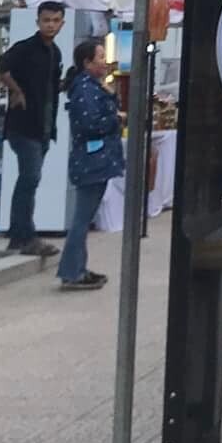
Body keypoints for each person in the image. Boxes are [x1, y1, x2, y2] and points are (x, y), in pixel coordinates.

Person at [0, 1, 66, 258]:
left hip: (44, 127)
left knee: (30, 180)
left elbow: (49, 87)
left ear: (62, 23)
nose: (50, 25)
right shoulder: (25, 48)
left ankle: (20, 236)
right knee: (30, 178)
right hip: (23, 126)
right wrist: (16, 90)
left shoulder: (55, 52)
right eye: (46, 20)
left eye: (55, 20)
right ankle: (25, 235)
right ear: (38, 22)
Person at [58, 39, 124, 290]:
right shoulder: (84, 90)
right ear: (87, 63)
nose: (105, 62)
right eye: (100, 57)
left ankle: (77, 268)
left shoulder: (93, 87)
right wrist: (115, 119)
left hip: (98, 159)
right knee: (82, 218)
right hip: (91, 161)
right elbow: (90, 124)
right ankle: (72, 271)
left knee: (84, 218)